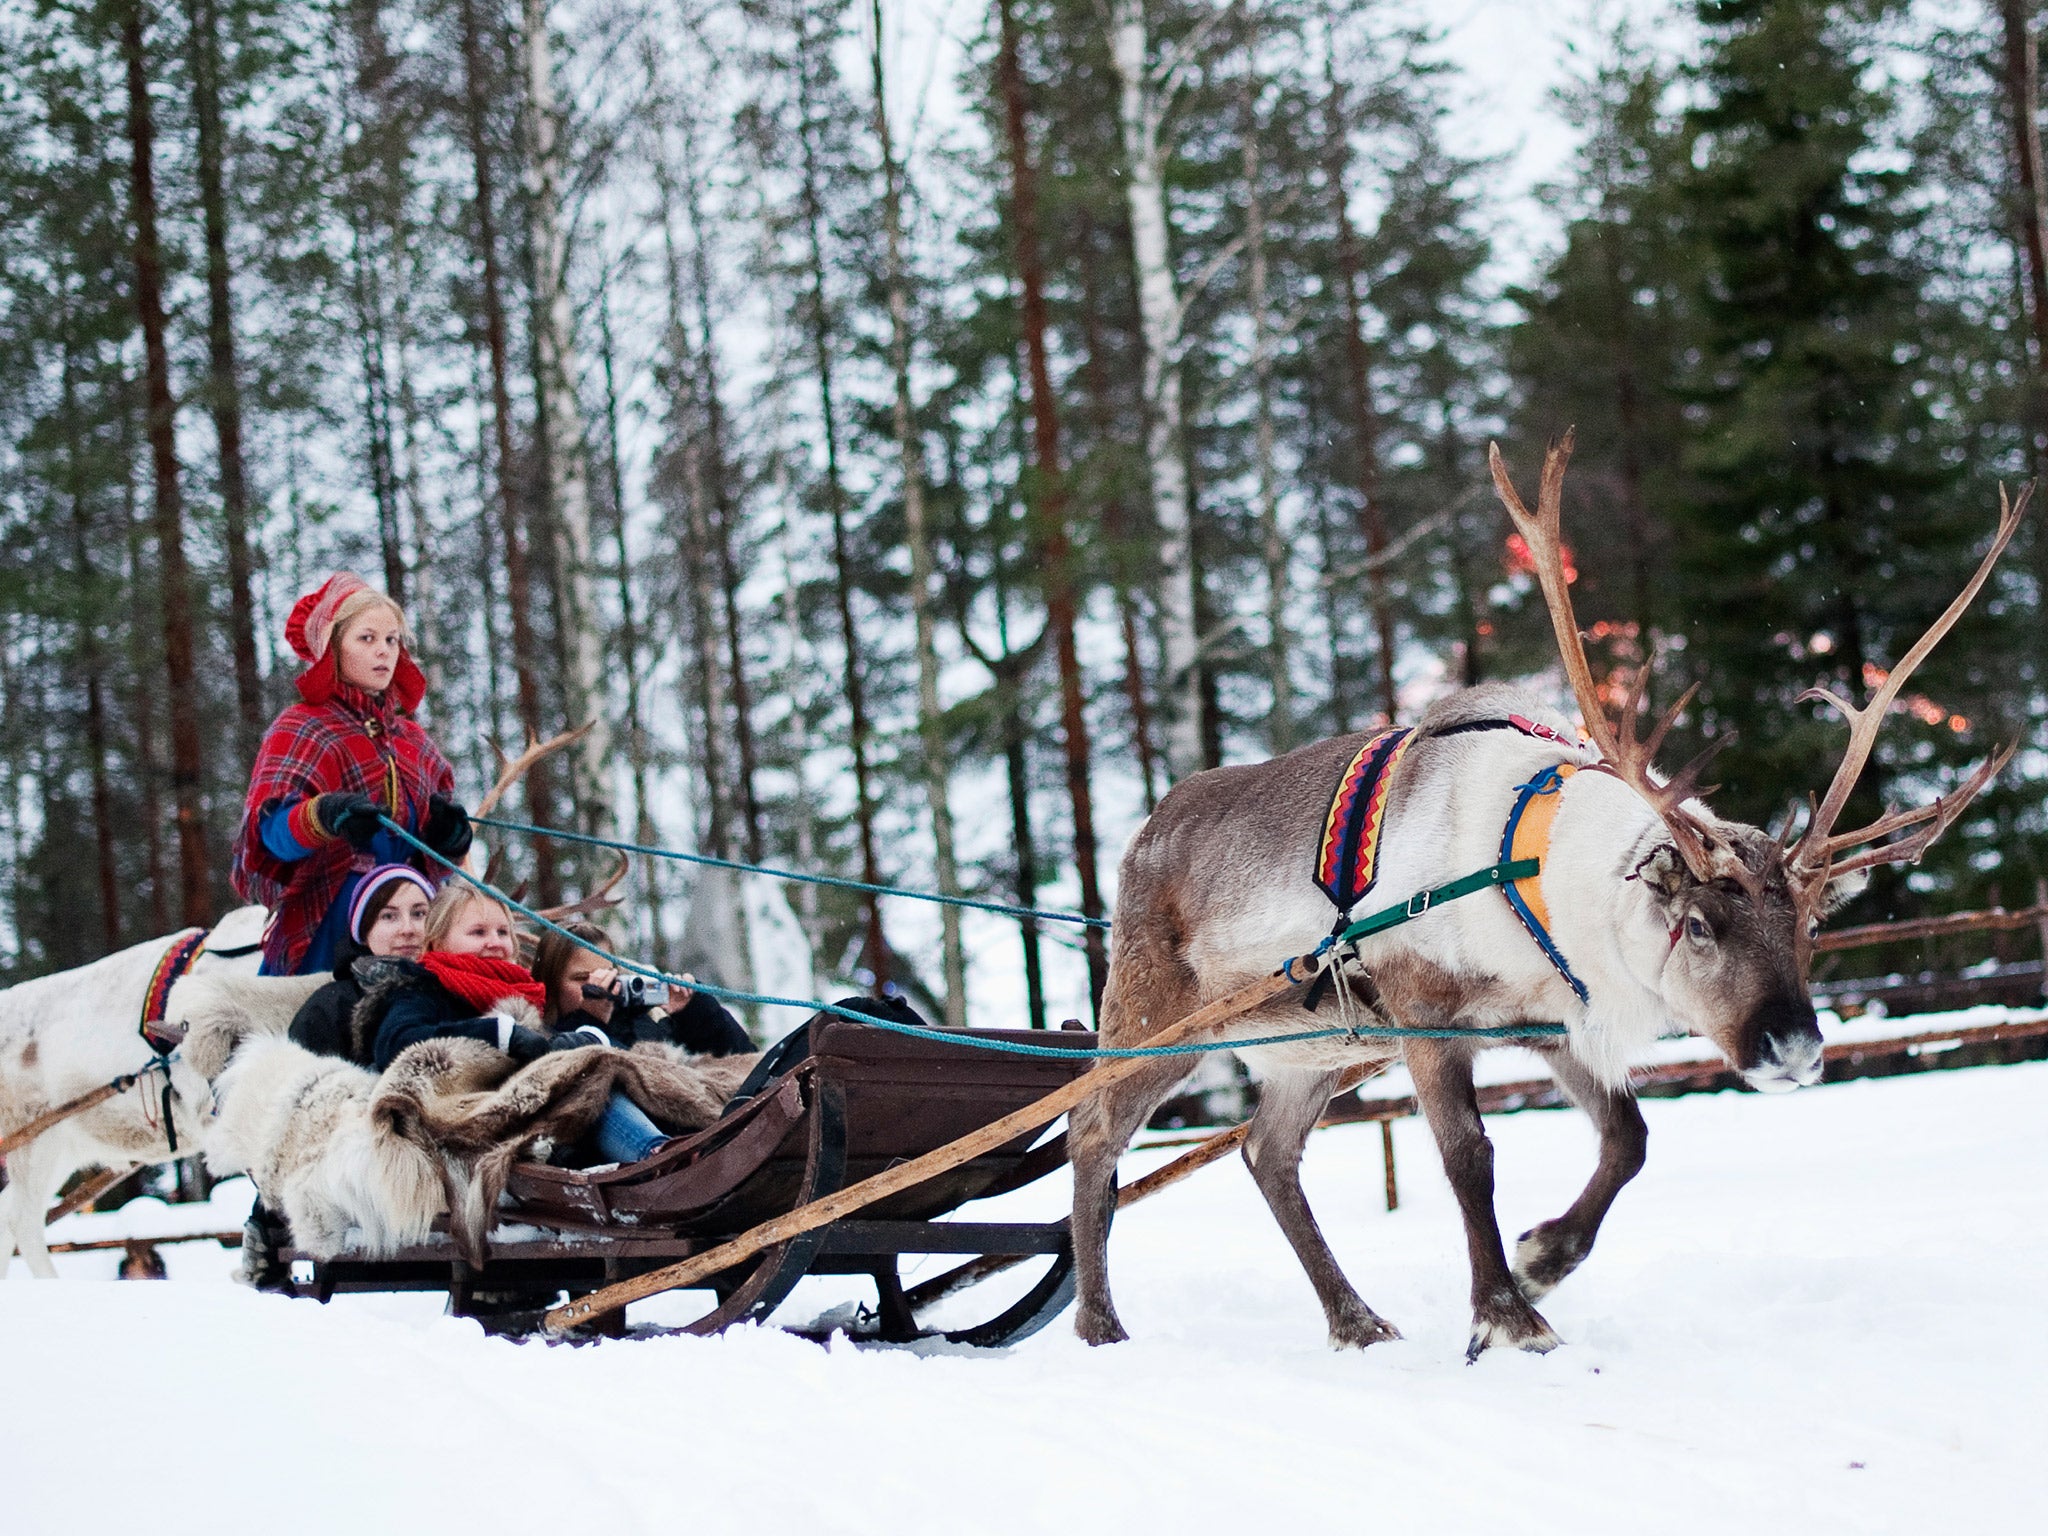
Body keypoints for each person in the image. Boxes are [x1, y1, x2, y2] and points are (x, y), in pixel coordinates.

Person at [231, 572, 473, 975]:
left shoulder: (413, 739)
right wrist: (322, 816)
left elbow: (436, 861)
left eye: (392, 640)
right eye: (367, 638)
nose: (384, 651)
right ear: (333, 647)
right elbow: (269, 837)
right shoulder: (302, 726)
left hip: (412, 929)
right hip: (331, 925)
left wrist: (450, 840)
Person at [360, 886, 679, 1167]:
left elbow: (550, 1045)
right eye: (478, 933)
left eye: (502, 932)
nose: (494, 943)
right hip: (462, 1119)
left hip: (532, 1115)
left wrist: (591, 1034)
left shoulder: (526, 994)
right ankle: (659, 1158)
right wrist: (499, 1035)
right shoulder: (419, 989)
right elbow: (398, 1042)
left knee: (601, 1073)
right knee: (582, 1084)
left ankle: (685, 1146)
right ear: (436, 942)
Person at [530, 921, 753, 1058]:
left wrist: (694, 1010)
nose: (600, 984)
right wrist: (590, 1021)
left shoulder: (645, 1019)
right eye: (581, 978)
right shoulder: (539, 1039)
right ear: (551, 984)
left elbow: (744, 1060)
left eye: (607, 974)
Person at [285, 865, 436, 1065]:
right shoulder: (330, 1008)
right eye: (389, 916)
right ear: (364, 932)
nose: (407, 929)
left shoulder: (460, 994)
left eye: (419, 914)